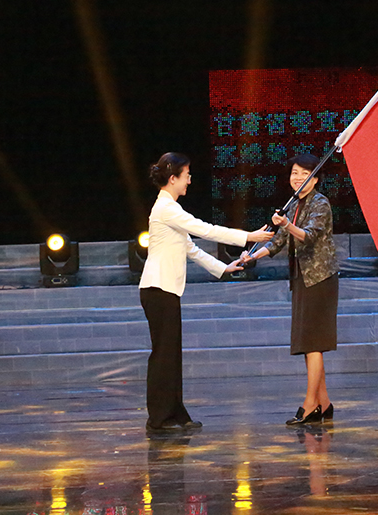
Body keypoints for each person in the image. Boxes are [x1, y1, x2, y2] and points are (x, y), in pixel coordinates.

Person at [140, 152, 272, 433]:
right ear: (173, 178)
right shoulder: (166, 208)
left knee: (171, 354)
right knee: (164, 355)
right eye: (186, 175)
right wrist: (248, 236)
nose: (189, 180)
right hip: (158, 288)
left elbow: (192, 249)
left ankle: (175, 414)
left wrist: (224, 268)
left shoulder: (170, 209)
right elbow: (206, 230)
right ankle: (159, 419)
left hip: (165, 290)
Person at [239, 153, 339, 425]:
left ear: (315, 179)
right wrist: (251, 256)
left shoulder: (320, 203)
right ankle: (324, 403)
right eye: (294, 173)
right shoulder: (293, 204)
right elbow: (278, 242)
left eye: (304, 173)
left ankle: (310, 405)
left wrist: (287, 224)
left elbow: (309, 236)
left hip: (319, 279)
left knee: (313, 343)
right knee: (307, 343)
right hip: (301, 278)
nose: (298, 178)